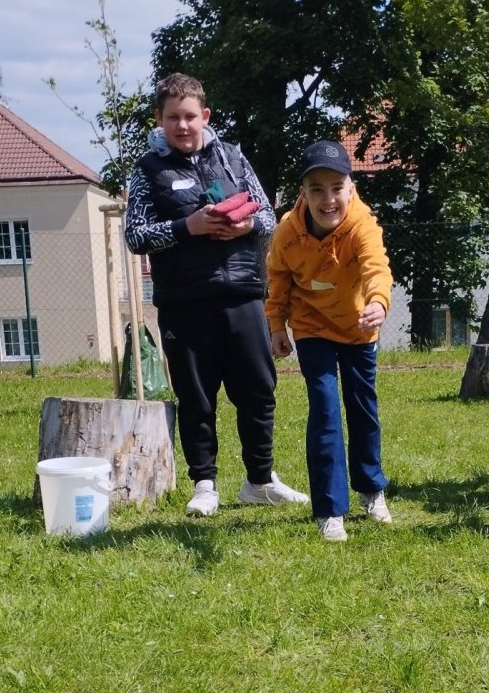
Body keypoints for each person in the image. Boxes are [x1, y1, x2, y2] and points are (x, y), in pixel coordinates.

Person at [124, 73, 308, 516]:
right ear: (160, 119)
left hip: (244, 294)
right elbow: (135, 235)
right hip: (184, 302)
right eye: (173, 117)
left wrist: (247, 225)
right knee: (197, 397)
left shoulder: (232, 158)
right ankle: (204, 485)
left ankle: (260, 481)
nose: (183, 125)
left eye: (190, 116)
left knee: (259, 390)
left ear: (205, 116)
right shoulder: (147, 171)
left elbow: (269, 217)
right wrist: (187, 227)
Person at [266, 140, 393, 543]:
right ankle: (330, 510)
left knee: (362, 407)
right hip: (312, 327)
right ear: (303, 193)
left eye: (337, 188)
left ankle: (371, 490)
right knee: (324, 409)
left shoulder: (362, 225)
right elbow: (278, 278)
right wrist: (276, 325)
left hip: (358, 326)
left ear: (351, 188)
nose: (328, 199)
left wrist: (378, 302)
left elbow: (377, 268)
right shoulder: (287, 232)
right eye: (317, 189)